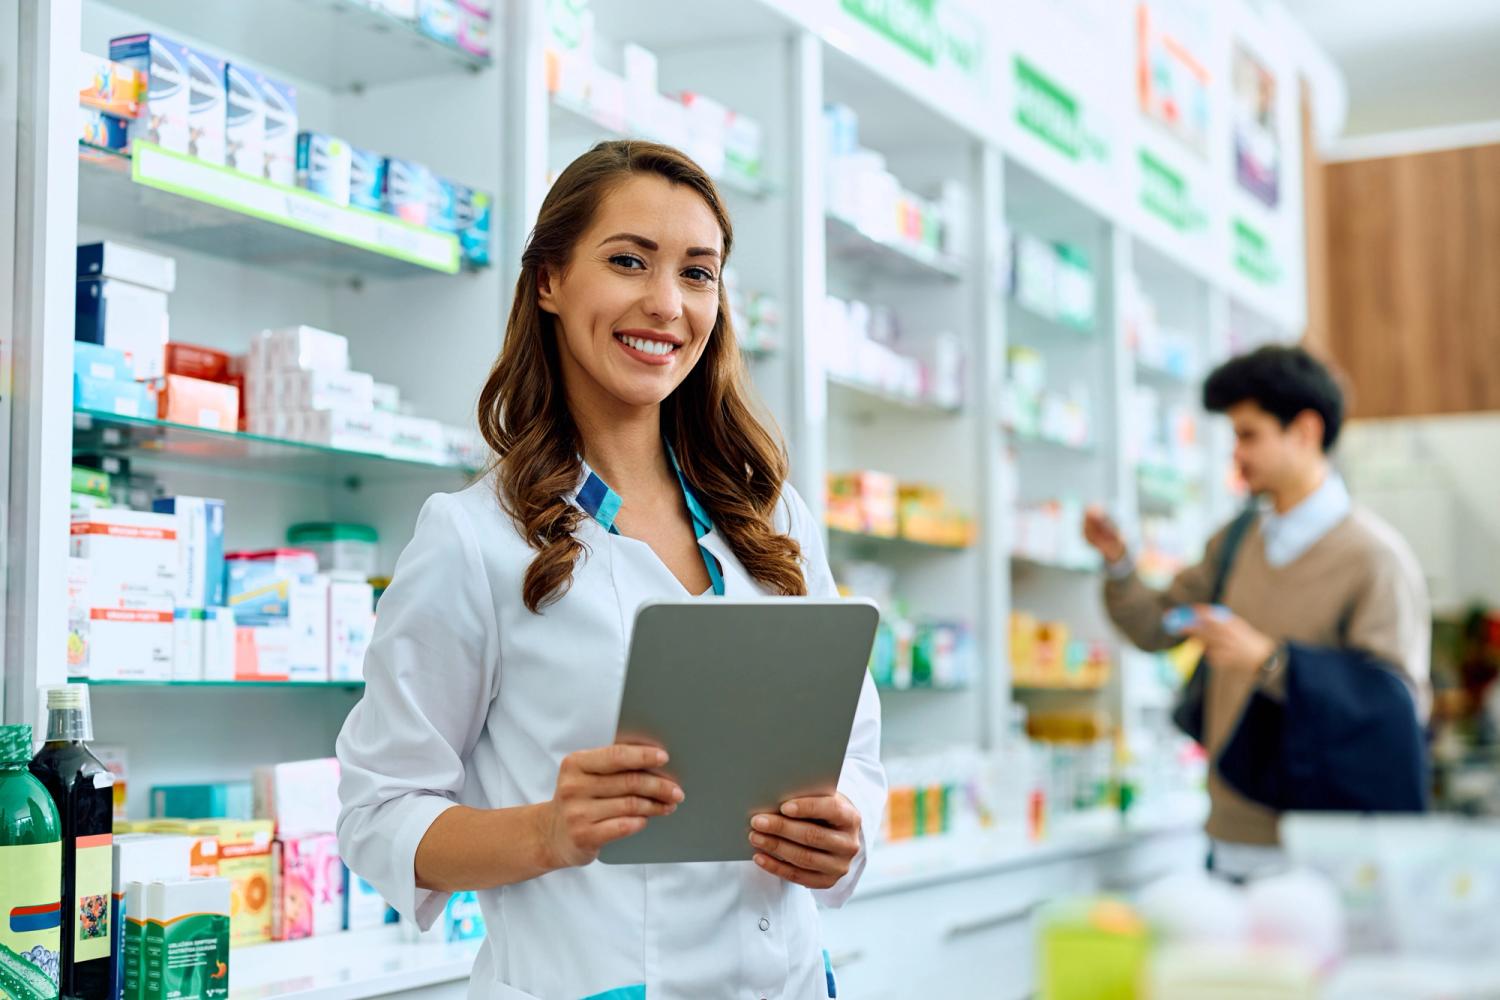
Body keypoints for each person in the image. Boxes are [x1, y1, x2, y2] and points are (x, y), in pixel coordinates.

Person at [336, 140, 885, 1000]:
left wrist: (844, 836)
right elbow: (378, 815)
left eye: (697, 274)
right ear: (549, 280)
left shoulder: (770, 520)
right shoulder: (475, 539)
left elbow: (854, 759)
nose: (666, 305)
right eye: (629, 261)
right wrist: (549, 831)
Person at [1083, 345, 1430, 882]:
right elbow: (1157, 626)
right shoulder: (1236, 540)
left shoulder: (1374, 560)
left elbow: (1395, 707)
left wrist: (1271, 662)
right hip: (1227, 834)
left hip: (1323, 847)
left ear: (1306, 431)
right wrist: (1118, 563)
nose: (1236, 456)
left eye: (1249, 435)